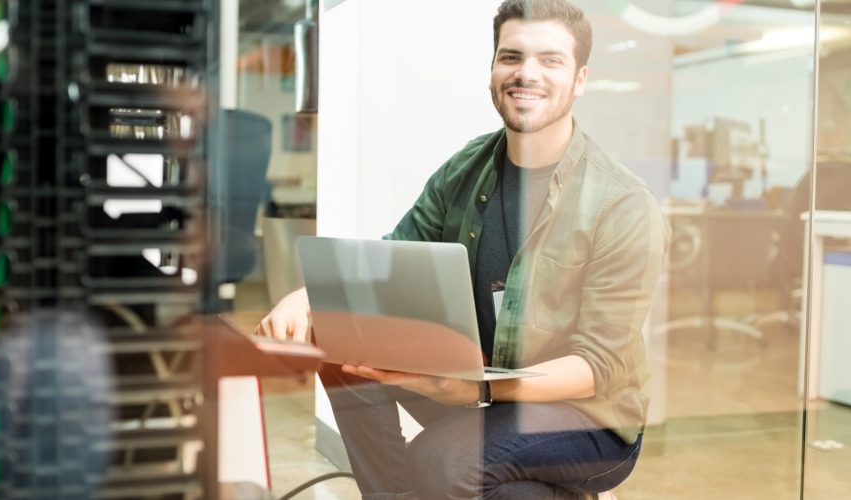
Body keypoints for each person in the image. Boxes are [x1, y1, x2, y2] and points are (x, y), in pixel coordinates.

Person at [257, 1, 669, 498]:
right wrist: (306, 297)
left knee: (445, 461)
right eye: (511, 56)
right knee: (343, 342)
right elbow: (392, 260)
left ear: (580, 79)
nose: (526, 73)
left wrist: (478, 389)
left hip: (591, 419)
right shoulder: (466, 169)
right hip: (482, 390)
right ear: (494, 67)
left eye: (550, 60)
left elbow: (597, 367)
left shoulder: (622, 203)